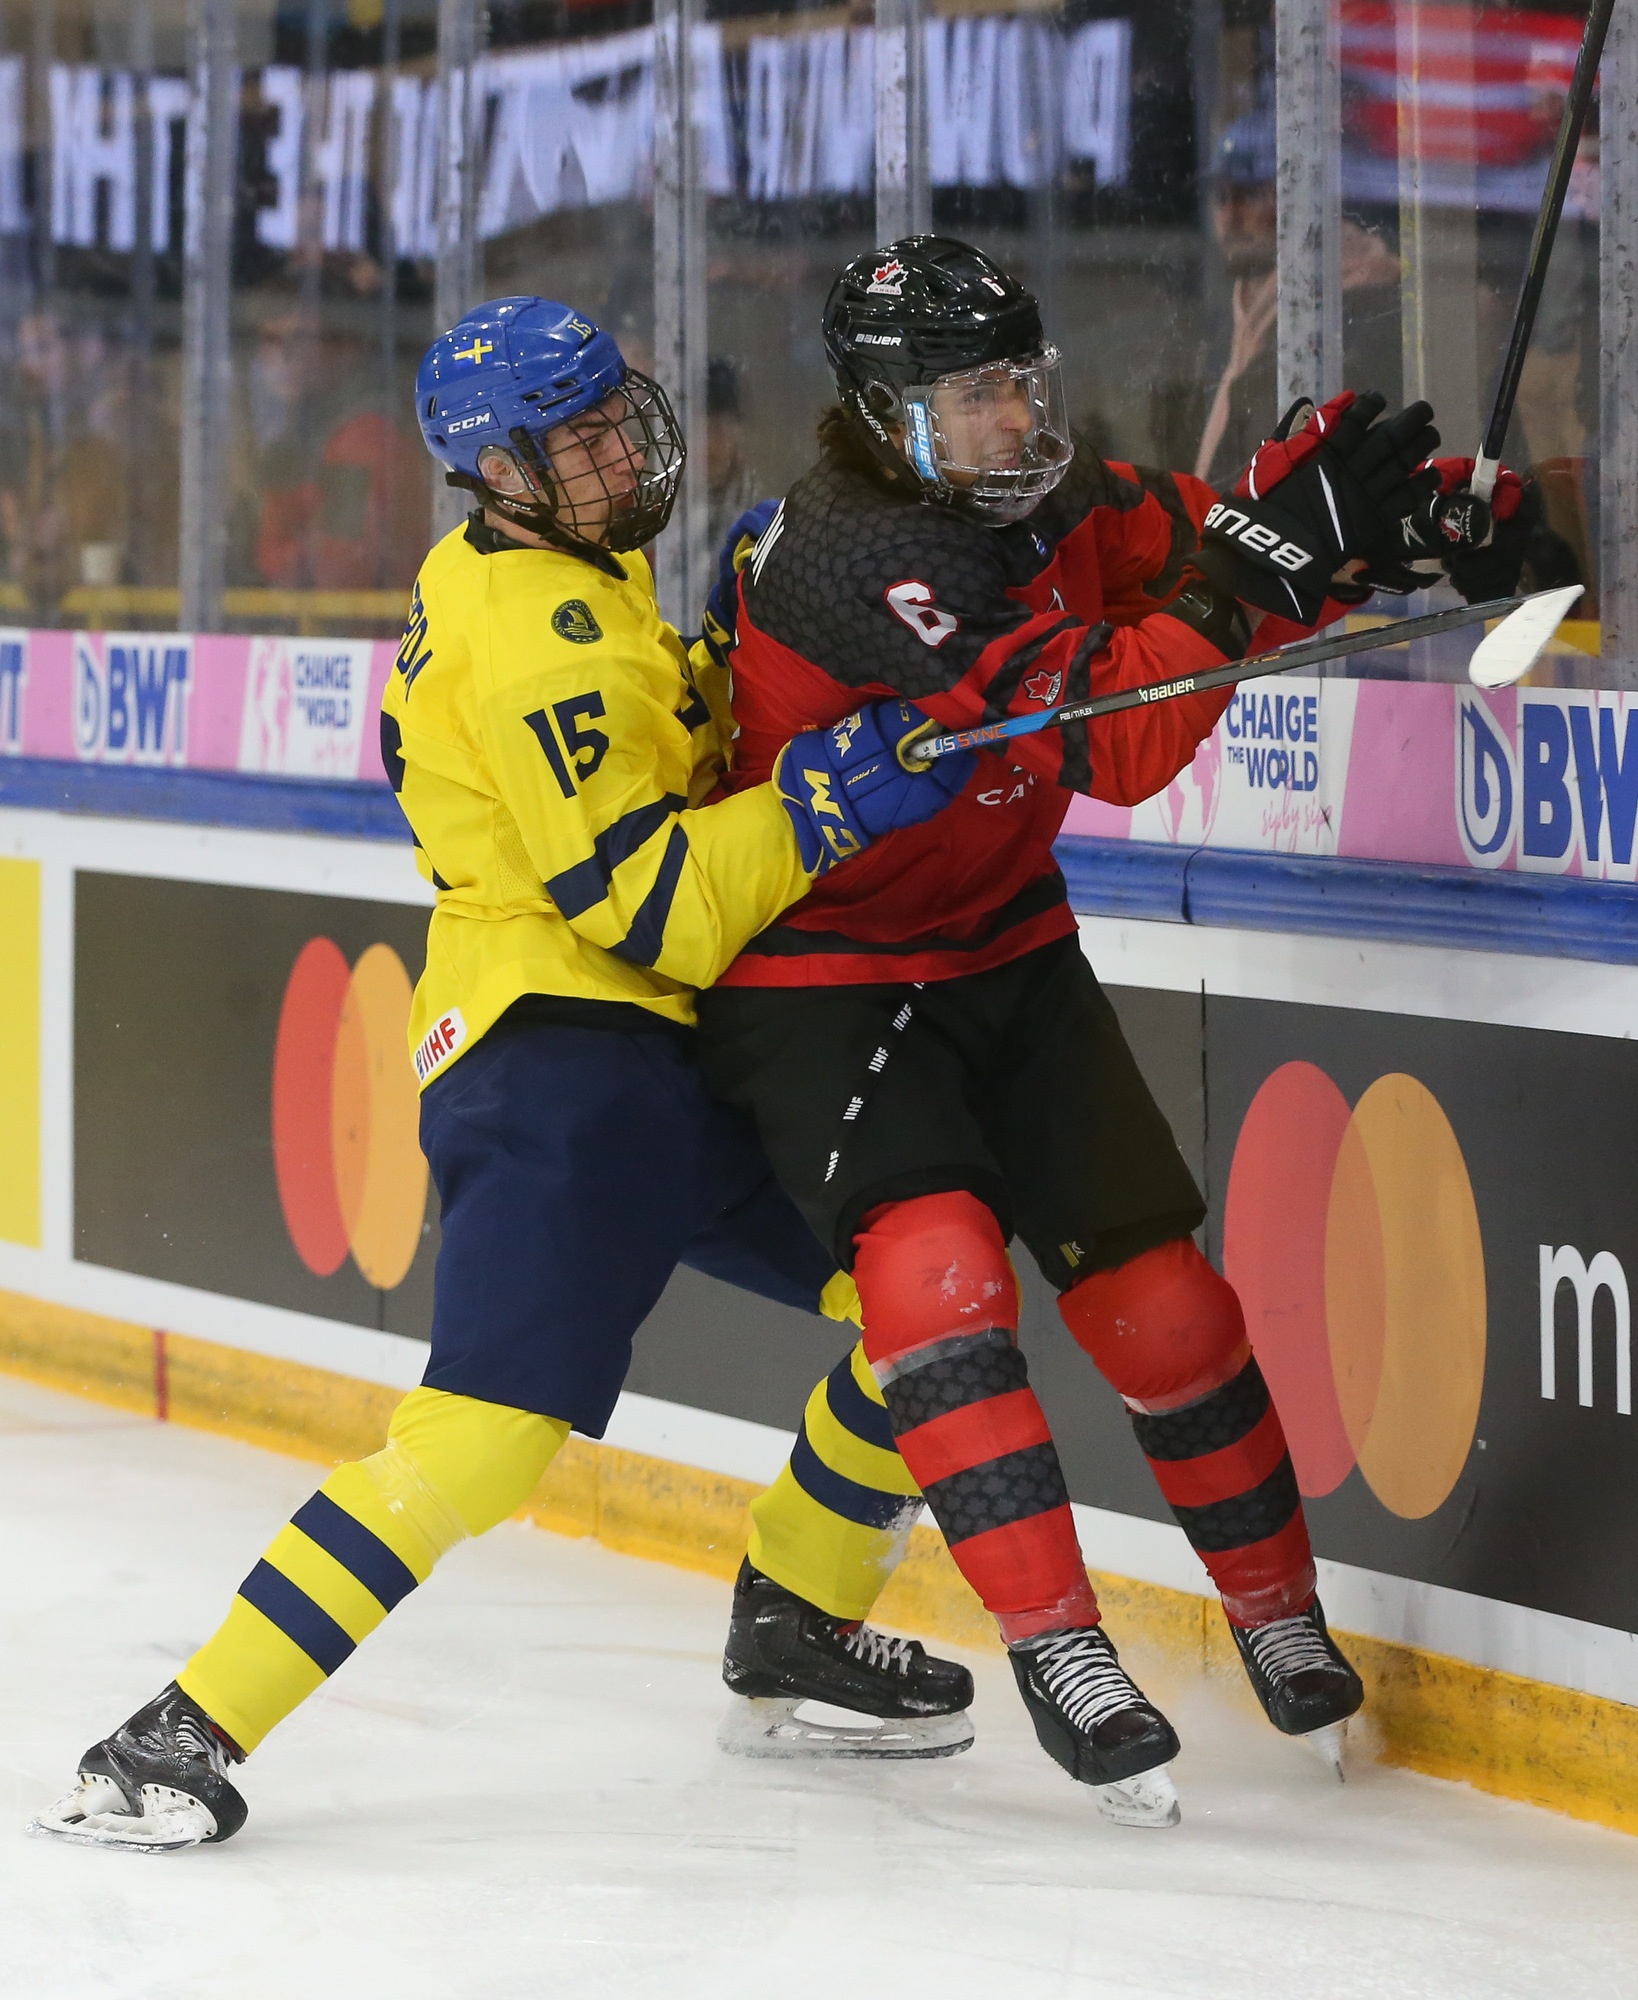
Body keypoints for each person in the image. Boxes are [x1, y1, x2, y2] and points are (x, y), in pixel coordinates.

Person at [33, 294, 978, 1852]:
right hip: (562, 1072)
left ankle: (797, 1619)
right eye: (580, 435)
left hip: (645, 1055)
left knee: (922, 1295)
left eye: (620, 412)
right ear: (500, 471)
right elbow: (650, 906)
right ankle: (175, 1733)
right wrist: (823, 799)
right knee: (479, 1439)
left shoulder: (553, 579)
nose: (621, 447)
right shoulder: (539, 637)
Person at [694, 236, 1528, 1827]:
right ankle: (1059, 1647)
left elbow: (1201, 557)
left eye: (1022, 380)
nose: (1016, 415)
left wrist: (1388, 537)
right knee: (938, 1283)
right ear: (885, 412)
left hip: (1007, 947)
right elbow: (1127, 735)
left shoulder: (1052, 493)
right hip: (824, 972)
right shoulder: (853, 554)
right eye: (974, 393)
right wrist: (1271, 568)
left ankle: (1278, 1618)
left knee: (1166, 1311)